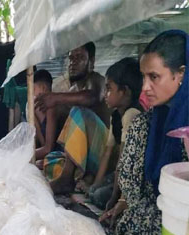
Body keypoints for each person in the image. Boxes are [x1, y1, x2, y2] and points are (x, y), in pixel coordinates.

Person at [100, 30, 188, 235]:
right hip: (146, 216)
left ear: (181, 75)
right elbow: (132, 186)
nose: (145, 87)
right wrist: (123, 203)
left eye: (154, 77)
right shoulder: (144, 124)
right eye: (143, 77)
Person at [35, 42, 111, 194]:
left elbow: (93, 97)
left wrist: (56, 98)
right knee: (45, 162)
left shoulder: (97, 80)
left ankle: (67, 178)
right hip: (85, 159)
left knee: (78, 111)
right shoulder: (72, 90)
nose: (72, 63)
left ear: (92, 61)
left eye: (79, 57)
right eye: (71, 58)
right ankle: (78, 177)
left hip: (103, 156)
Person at [87, 58, 143, 209]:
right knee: (93, 191)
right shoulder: (116, 115)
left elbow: (122, 159)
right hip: (120, 175)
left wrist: (114, 198)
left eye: (109, 88)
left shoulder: (131, 115)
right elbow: (107, 152)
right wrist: (96, 183)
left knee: (99, 197)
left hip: (133, 177)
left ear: (124, 91)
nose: (105, 94)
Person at [33, 69, 66, 161]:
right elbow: (43, 144)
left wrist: (25, 157)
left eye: (33, 89)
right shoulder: (35, 108)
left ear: (43, 88)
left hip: (61, 154)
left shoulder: (52, 107)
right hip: (48, 153)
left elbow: (48, 149)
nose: (32, 94)